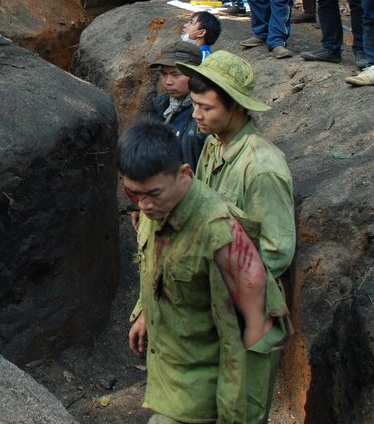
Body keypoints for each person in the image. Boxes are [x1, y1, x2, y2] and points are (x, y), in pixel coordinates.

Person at [121, 121, 289, 424]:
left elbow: (249, 339)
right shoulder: (157, 207)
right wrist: (146, 311)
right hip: (174, 373)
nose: (143, 205)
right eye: (133, 193)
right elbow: (158, 265)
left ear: (184, 174)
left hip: (210, 388)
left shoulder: (220, 236)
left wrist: (234, 417)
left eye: (152, 193)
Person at [177, 50, 296, 278]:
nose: (195, 115)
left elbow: (275, 252)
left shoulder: (262, 169)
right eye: (194, 104)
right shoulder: (213, 142)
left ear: (238, 107)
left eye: (207, 108)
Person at [146, 41, 206, 169]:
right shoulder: (159, 108)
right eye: (164, 74)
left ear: (195, 75)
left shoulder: (204, 115)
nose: (168, 82)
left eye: (176, 74)